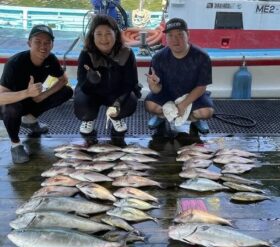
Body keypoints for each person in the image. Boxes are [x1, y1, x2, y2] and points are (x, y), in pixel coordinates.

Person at [0, 24, 73, 164]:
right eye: (37, 42)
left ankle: (30, 120)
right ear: (29, 43)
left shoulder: (50, 59)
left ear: (52, 45)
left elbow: (63, 80)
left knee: (67, 91)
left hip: (31, 99)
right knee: (11, 107)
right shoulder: (14, 63)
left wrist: (42, 96)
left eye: (47, 42)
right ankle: (15, 144)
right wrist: (27, 92)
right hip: (10, 104)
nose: (43, 46)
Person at [74, 14, 140, 142]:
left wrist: (118, 103)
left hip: (116, 94)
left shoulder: (127, 53)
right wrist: (91, 80)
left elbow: (131, 83)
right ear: (92, 36)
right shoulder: (86, 54)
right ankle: (89, 119)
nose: (104, 38)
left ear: (116, 34)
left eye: (108, 33)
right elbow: (82, 85)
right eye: (99, 34)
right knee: (83, 107)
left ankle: (116, 117)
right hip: (92, 94)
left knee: (130, 101)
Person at [145, 17, 214, 135]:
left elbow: (202, 86)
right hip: (167, 94)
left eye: (180, 35)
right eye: (170, 35)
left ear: (188, 34)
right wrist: (153, 85)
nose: (175, 40)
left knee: (206, 112)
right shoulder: (158, 57)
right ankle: (163, 117)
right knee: (150, 105)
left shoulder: (202, 57)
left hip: (192, 95)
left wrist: (183, 105)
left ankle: (195, 120)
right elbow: (157, 89)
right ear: (165, 38)